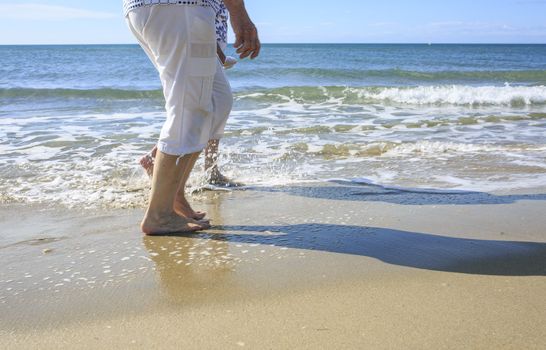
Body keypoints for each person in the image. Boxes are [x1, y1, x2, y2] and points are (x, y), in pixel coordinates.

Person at [123, 0, 260, 235]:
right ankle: (159, 214)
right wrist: (239, 14)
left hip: (175, 10)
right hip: (176, 7)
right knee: (190, 107)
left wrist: (215, 43)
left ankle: (173, 194)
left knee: (217, 101)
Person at [139, 0, 240, 187]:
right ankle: (167, 177)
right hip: (192, 31)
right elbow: (200, 16)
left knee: (216, 103)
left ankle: (210, 170)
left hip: (201, 37)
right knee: (202, 104)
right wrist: (220, 53)